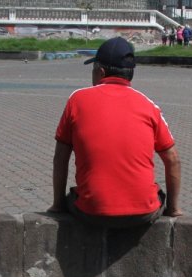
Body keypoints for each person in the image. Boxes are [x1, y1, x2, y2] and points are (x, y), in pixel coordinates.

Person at [48, 37, 183, 228]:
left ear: (100, 72)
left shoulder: (77, 100)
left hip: (92, 211)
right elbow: (173, 159)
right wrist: (173, 209)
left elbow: (60, 158)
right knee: (155, 193)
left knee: (75, 195)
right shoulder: (148, 105)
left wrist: (58, 205)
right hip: (144, 213)